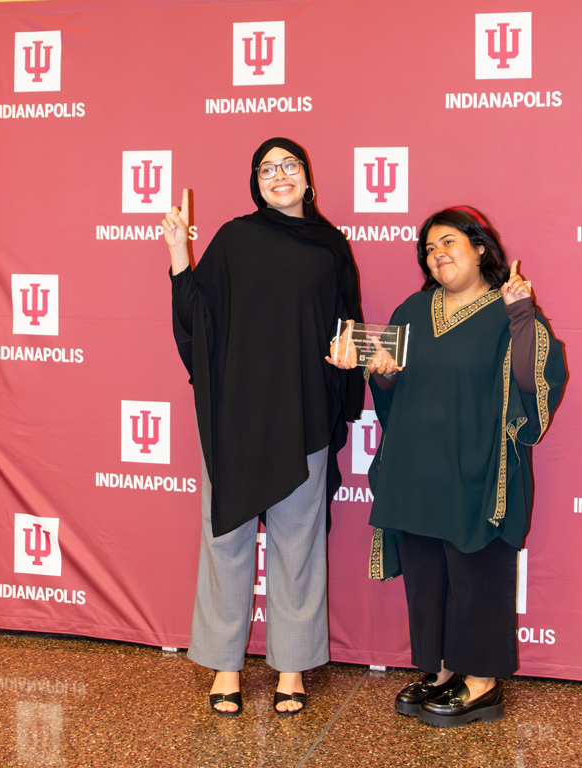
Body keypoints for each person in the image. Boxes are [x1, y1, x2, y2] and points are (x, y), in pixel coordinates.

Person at [163, 138, 364, 717]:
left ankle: (292, 667)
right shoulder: (232, 239)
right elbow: (197, 318)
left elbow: (344, 324)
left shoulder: (330, 248)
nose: (279, 175)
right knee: (225, 540)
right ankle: (226, 666)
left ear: (308, 177)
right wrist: (180, 251)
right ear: (256, 181)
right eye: (267, 169)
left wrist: (347, 361)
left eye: (290, 166)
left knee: (297, 544)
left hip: (302, 413)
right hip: (237, 416)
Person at [359, 206, 564, 727]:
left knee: (476, 576)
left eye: (448, 242)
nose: (437, 254)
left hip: (479, 471)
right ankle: (444, 668)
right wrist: (379, 373)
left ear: (480, 249)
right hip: (416, 469)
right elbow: (391, 386)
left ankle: (482, 683)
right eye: (428, 248)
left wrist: (521, 316)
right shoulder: (411, 309)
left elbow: (532, 383)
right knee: (428, 576)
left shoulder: (508, 311)